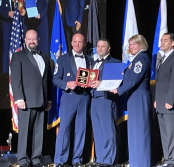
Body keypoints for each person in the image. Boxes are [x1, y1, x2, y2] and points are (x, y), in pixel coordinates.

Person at [10, 29, 52, 167]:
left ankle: (36, 159)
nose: (32, 41)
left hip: (41, 101)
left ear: (38, 40)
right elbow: (16, 79)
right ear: (25, 40)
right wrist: (19, 98)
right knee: (24, 133)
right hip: (26, 101)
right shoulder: (18, 56)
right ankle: (22, 159)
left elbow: (47, 80)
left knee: (38, 133)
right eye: (29, 38)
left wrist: (49, 99)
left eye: (34, 38)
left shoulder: (45, 57)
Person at [111, 34, 152, 167]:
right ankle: (135, 162)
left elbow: (133, 80)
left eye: (134, 44)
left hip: (139, 97)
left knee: (140, 131)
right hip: (134, 97)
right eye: (130, 44)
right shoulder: (135, 60)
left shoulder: (141, 59)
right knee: (134, 131)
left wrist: (118, 89)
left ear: (141, 44)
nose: (131, 47)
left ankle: (141, 163)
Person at [53, 33, 92, 167]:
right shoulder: (63, 59)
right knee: (64, 129)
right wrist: (66, 85)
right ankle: (60, 160)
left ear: (84, 43)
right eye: (75, 42)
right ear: (71, 43)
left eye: (80, 42)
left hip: (85, 97)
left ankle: (77, 160)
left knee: (81, 129)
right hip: (69, 97)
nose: (77, 44)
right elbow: (55, 79)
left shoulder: (90, 59)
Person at [90, 38, 121, 166]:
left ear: (109, 48)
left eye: (103, 46)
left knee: (107, 131)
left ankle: (108, 160)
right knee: (97, 132)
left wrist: (100, 83)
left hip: (106, 100)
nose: (100, 48)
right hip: (94, 100)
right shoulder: (92, 62)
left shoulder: (115, 62)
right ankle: (100, 159)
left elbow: (115, 83)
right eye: (98, 46)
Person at [154, 33, 174, 167]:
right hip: (160, 103)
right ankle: (167, 159)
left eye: (165, 40)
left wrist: (170, 100)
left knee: (172, 133)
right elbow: (160, 83)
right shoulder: (163, 59)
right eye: (161, 40)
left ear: (172, 43)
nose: (162, 43)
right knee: (164, 133)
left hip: (170, 104)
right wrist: (156, 100)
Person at [0, 0, 25, 73]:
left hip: (20, 22)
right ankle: (6, 72)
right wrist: (7, 13)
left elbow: (28, 5)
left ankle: (20, 69)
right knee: (6, 47)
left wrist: (25, 11)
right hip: (7, 23)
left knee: (21, 46)